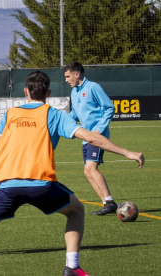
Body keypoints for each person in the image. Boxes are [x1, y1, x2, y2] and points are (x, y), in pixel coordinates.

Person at [0, 71, 144, 276]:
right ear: (48, 92)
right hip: (41, 185)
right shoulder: (55, 114)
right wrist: (128, 152)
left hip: (8, 185)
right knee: (76, 210)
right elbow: (92, 138)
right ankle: (72, 267)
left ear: (25, 92)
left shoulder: (10, 114)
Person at [63, 62, 117, 216]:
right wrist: (62, 121)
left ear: (76, 74)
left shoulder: (93, 87)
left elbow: (109, 108)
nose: (66, 80)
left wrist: (99, 129)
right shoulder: (74, 92)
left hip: (97, 137)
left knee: (91, 169)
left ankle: (110, 201)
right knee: (87, 172)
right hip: (85, 137)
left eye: (68, 76)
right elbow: (74, 113)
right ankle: (107, 203)